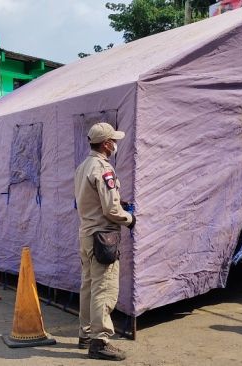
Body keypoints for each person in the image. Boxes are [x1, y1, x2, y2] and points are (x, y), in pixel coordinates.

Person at [74, 122, 134, 361]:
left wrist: (119, 204)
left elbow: (94, 201)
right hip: (103, 236)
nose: (116, 145)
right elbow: (110, 209)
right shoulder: (103, 169)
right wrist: (129, 218)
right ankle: (100, 341)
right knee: (105, 287)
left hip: (87, 233)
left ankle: (85, 334)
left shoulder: (83, 166)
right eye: (114, 141)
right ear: (106, 144)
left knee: (88, 285)